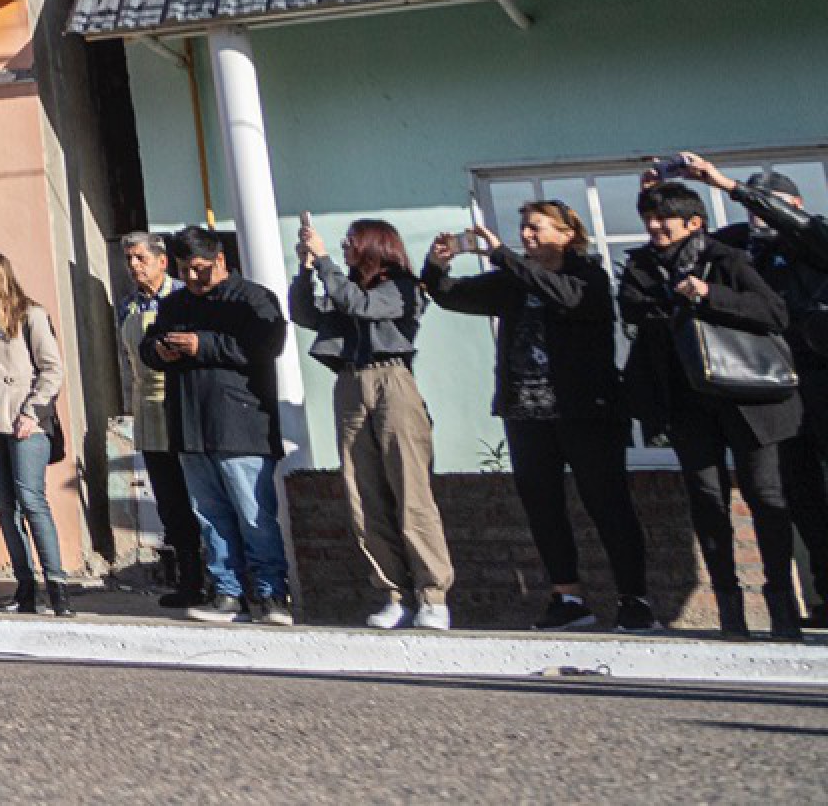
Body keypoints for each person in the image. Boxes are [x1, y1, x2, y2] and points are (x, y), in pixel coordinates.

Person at [423, 202, 648, 631]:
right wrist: (436, 267)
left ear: (566, 234)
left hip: (585, 412)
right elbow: (451, 295)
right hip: (526, 412)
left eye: (536, 228)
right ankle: (568, 598)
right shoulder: (512, 280)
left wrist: (502, 255)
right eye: (523, 227)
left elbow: (563, 296)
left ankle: (634, 598)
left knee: (608, 504)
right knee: (543, 507)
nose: (526, 235)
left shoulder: (588, 275)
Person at [620, 178, 807, 639]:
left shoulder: (726, 259)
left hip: (748, 397)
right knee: (707, 500)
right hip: (687, 400)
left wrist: (707, 294)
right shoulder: (641, 265)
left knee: (766, 497)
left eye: (664, 217)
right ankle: (730, 609)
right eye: (649, 217)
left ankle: (781, 603)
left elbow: (774, 313)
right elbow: (632, 310)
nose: (655, 226)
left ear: (694, 223)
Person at [677, 152, 828, 617]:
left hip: (821, 377)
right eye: (753, 209)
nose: (759, 217)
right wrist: (660, 196)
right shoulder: (742, 248)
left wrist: (726, 184)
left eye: (771, 206)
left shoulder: (816, 238)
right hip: (775, 391)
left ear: (795, 205)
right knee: (800, 494)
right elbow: (684, 244)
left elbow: (800, 229)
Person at [291, 215, 452, 630]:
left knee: (410, 489)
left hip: (392, 379)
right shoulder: (343, 285)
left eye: (350, 242)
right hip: (349, 382)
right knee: (362, 492)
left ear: (373, 246)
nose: (344, 248)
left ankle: (432, 593)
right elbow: (306, 313)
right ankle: (393, 591)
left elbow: (360, 308)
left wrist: (325, 261)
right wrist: (307, 267)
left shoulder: (401, 286)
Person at [142, 228, 290, 626]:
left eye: (200, 270)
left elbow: (264, 347)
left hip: (241, 425)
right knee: (209, 515)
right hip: (191, 425)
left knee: (253, 513)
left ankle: (271, 593)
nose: (192, 278)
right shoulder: (174, 304)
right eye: (185, 270)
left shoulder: (252, 299)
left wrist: (200, 346)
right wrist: (159, 350)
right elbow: (149, 346)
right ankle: (227, 591)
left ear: (220, 260)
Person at [0, 252, 69, 616]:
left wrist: (33, 411)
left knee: (31, 499)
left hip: (26, 420)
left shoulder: (30, 316)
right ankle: (25, 588)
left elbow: (52, 369)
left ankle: (58, 588)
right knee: (5, 508)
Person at [112, 230, 203, 608]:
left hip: (183, 403)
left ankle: (223, 579)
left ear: (162, 261)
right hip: (146, 408)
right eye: (129, 260)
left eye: (140, 258)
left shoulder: (183, 298)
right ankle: (189, 580)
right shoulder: (127, 306)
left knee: (199, 495)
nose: (134, 266)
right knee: (168, 499)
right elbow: (125, 360)